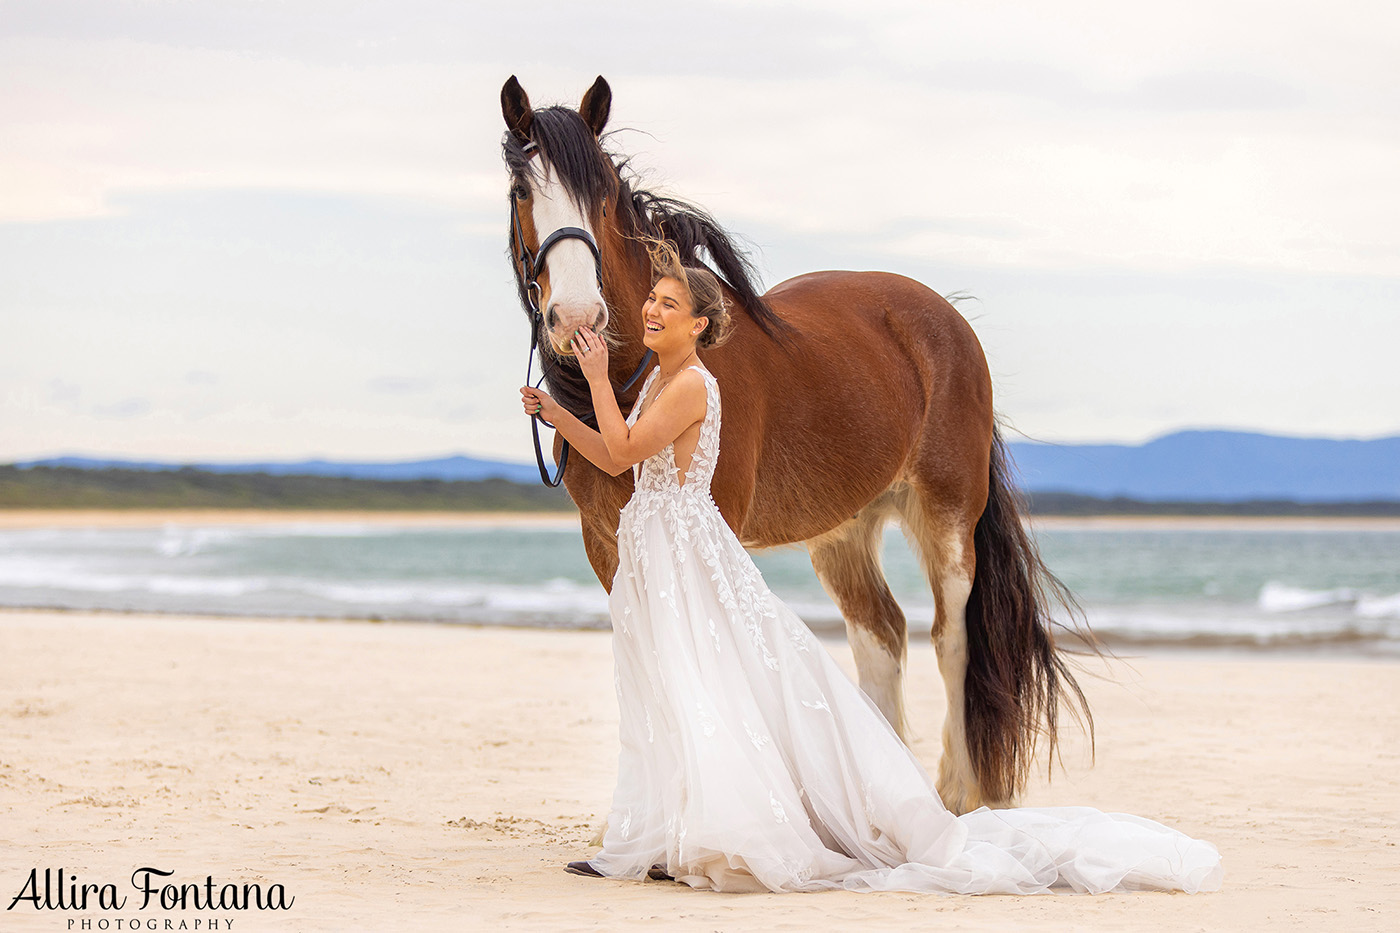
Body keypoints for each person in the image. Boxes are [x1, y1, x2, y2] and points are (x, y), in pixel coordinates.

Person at [519, 239, 1223, 895]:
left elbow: (621, 448)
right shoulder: (659, 382)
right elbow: (615, 454)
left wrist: (585, 378)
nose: (651, 310)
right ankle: (665, 824)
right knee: (676, 683)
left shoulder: (692, 387)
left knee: (714, 683)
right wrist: (557, 407)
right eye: (653, 301)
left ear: (701, 325)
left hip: (689, 549)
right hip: (672, 548)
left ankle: (768, 813)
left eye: (668, 305)